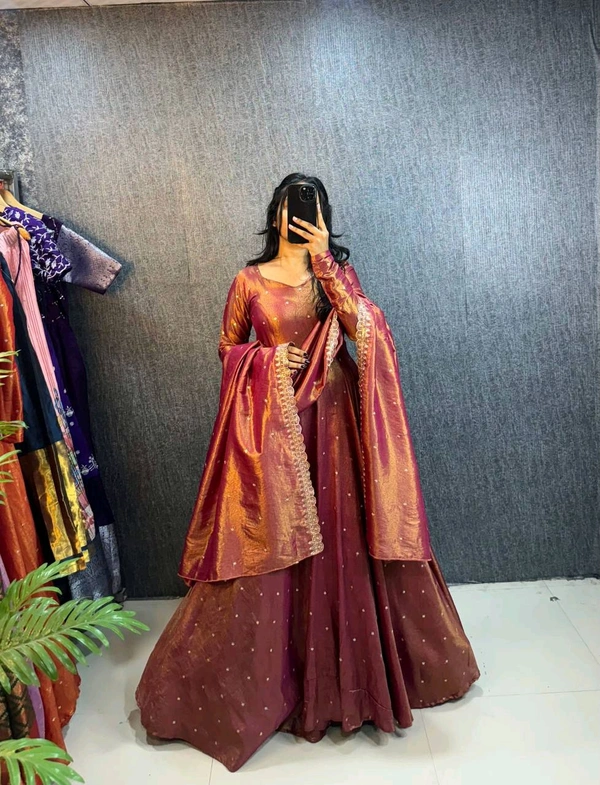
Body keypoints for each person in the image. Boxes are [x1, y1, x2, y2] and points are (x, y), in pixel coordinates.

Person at [135, 173, 480, 772]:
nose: (299, 216)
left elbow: (366, 332)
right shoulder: (248, 281)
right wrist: (268, 359)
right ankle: (275, 685)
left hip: (336, 423)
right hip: (274, 428)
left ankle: (358, 683)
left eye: (312, 207)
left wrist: (326, 264)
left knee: (344, 537)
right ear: (275, 215)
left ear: (323, 216)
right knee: (273, 537)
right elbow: (226, 348)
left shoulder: (334, 274)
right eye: (292, 207)